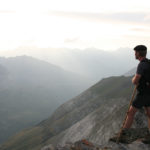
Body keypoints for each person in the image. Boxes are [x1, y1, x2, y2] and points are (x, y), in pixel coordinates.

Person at [123, 45, 150, 130]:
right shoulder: (149, 62)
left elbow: (135, 81)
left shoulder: (141, 65)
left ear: (138, 53)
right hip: (149, 92)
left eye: (135, 52)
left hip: (143, 94)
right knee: (149, 114)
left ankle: (124, 134)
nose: (134, 54)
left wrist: (133, 79)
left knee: (130, 113)